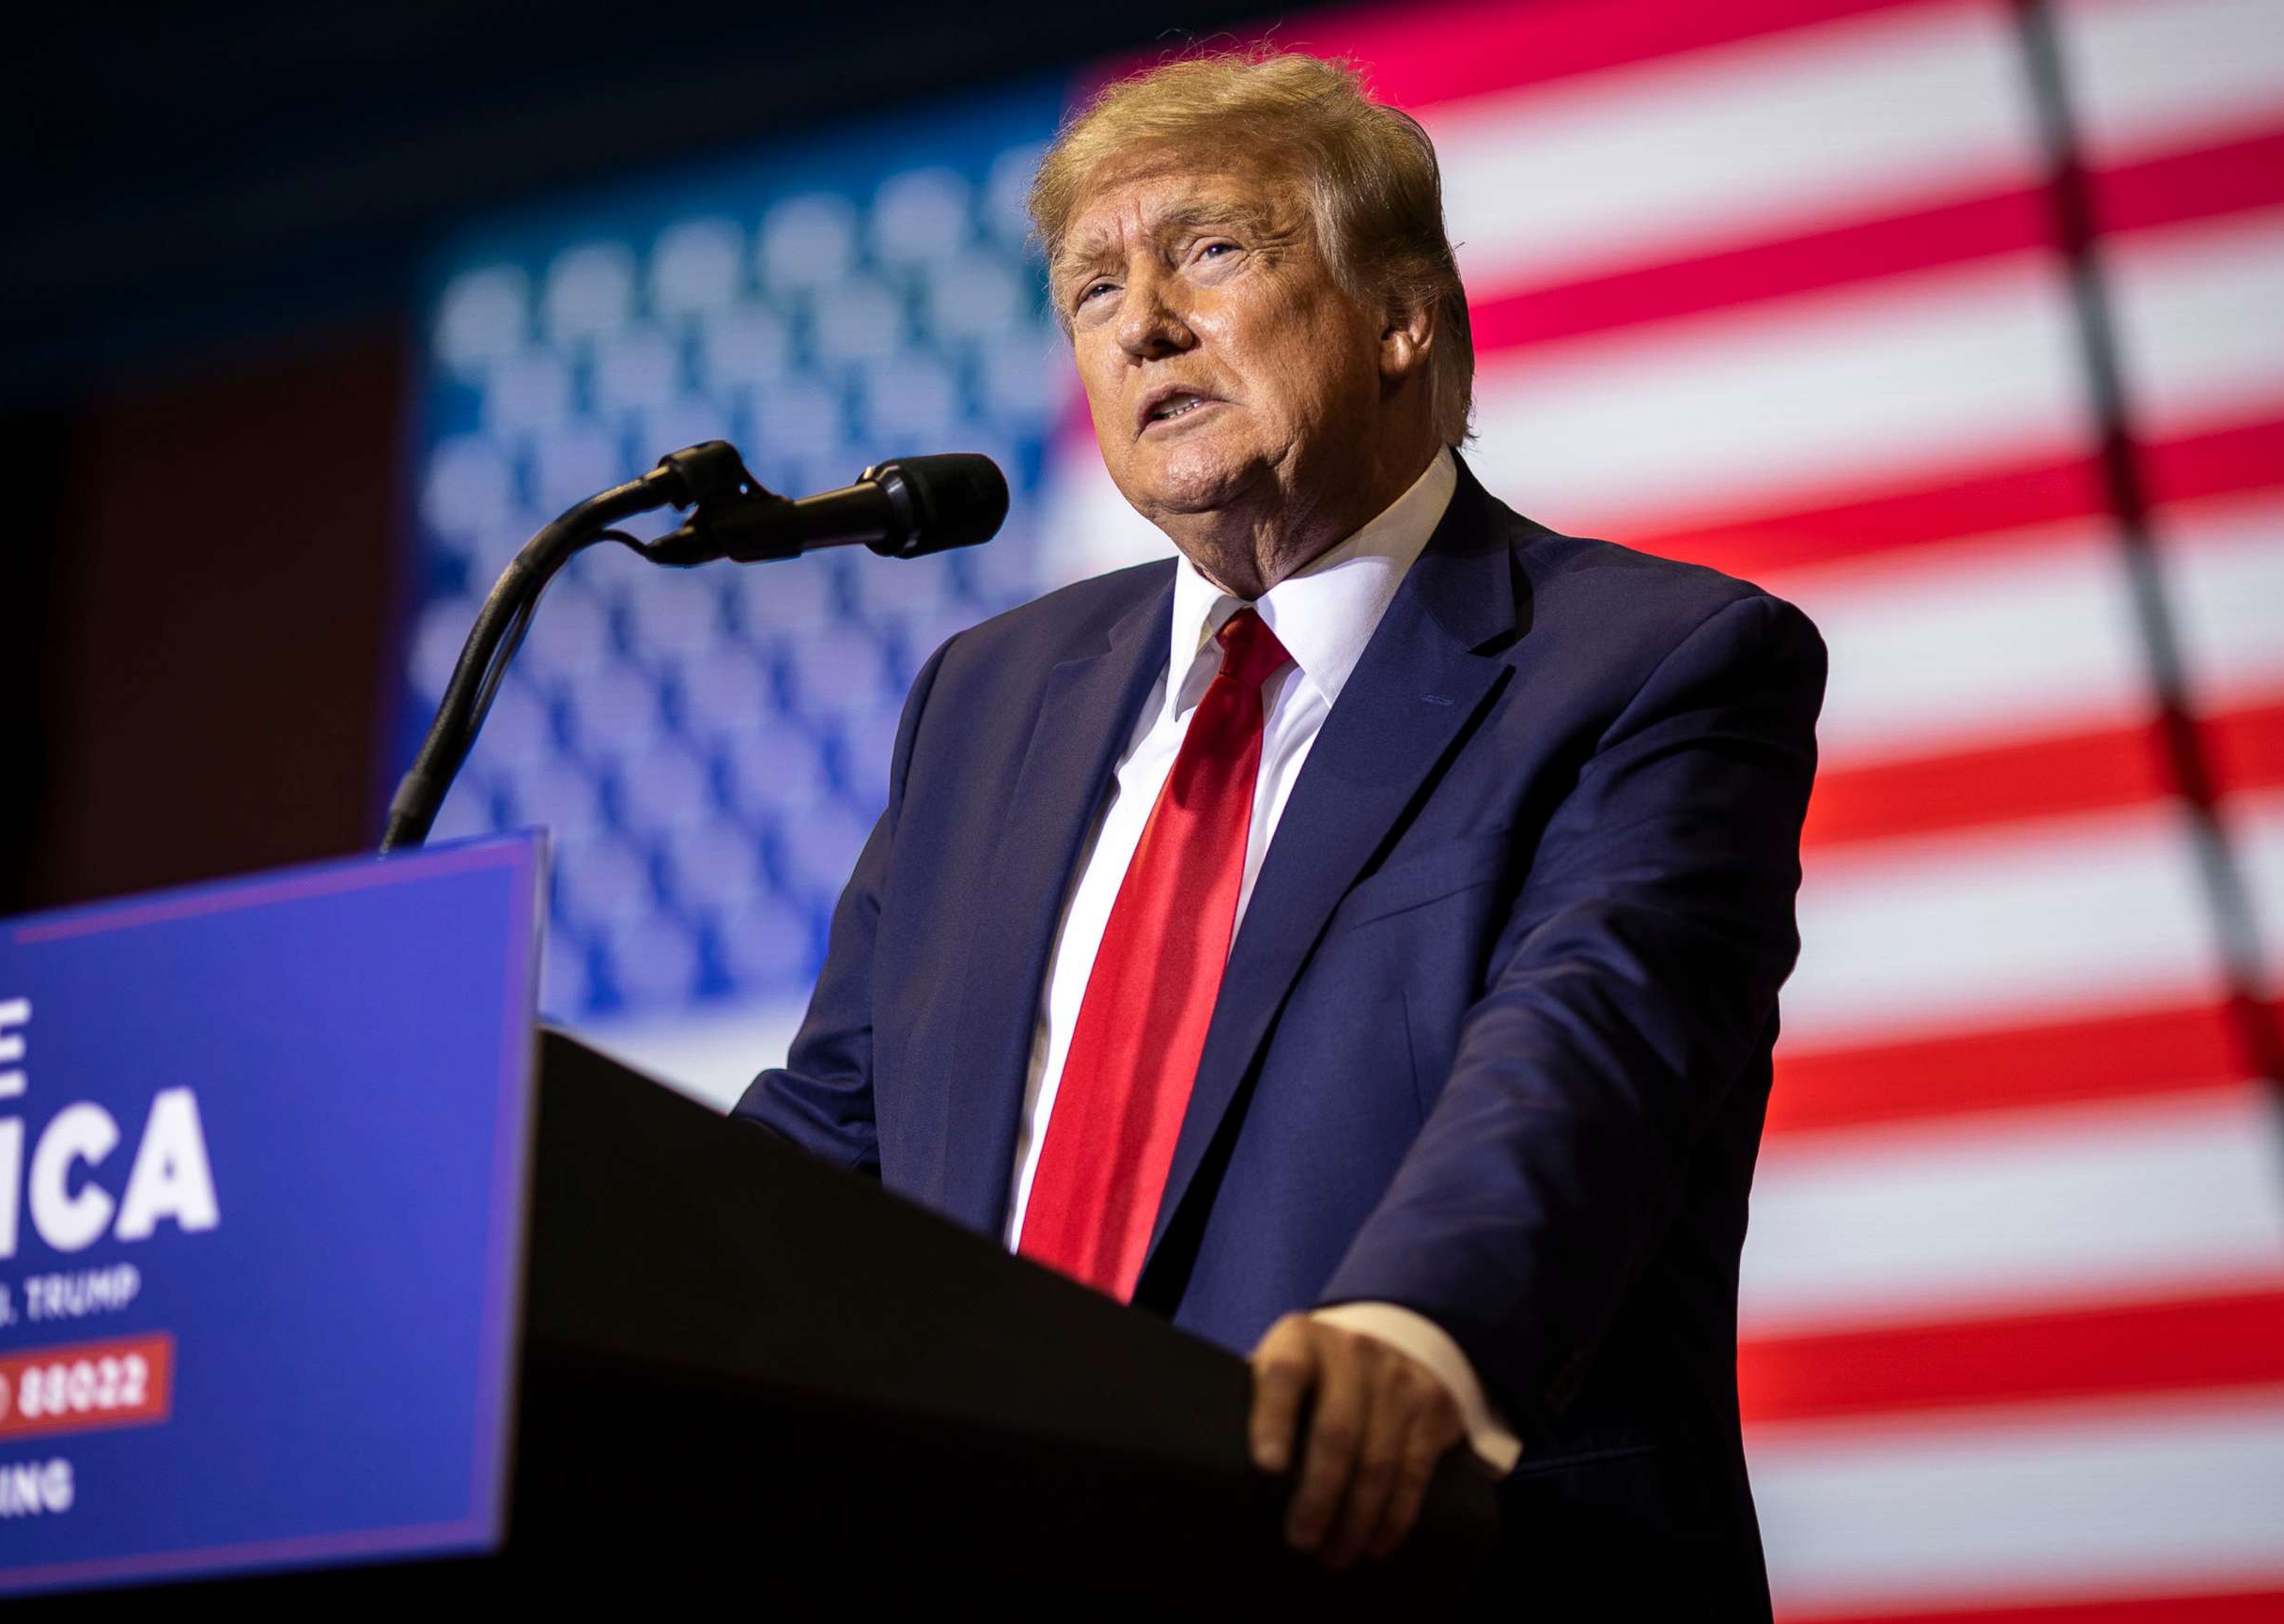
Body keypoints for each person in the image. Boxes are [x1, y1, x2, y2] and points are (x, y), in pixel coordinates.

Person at [737, 49, 1823, 1610]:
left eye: (1211, 251)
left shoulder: (1649, 664)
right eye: (1092, 289)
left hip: (1418, 1562)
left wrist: (1415, 1327)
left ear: (1400, 316)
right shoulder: (987, 700)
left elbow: (1588, 1054)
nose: (1142, 325)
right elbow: (838, 1131)